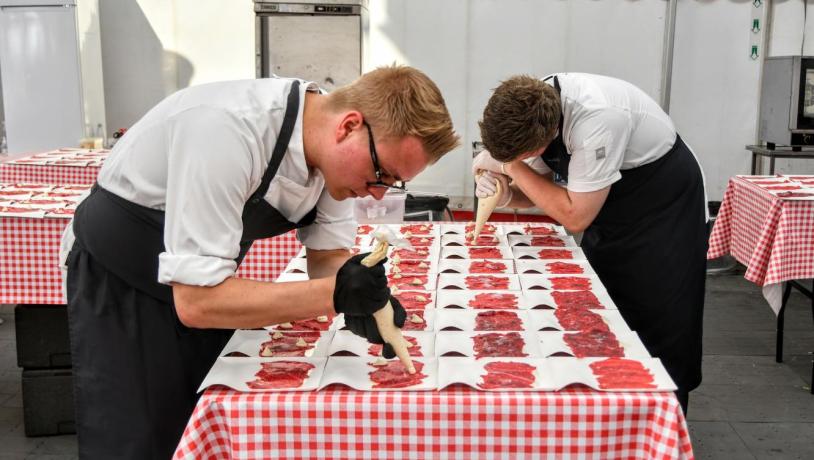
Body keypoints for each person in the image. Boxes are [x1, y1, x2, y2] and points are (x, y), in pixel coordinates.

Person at [62, 65, 459, 458]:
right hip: (122, 276)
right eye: (381, 175)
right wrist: (336, 295)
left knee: (197, 419)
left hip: (205, 280)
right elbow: (198, 302)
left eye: (392, 184)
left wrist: (368, 300)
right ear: (349, 126)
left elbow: (327, 259)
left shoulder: (331, 157)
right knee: (142, 438)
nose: (376, 195)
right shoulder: (227, 131)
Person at [473, 73, 707, 413]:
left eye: (523, 155)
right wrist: (506, 192)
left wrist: (511, 167)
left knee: (660, 316)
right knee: (603, 309)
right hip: (611, 204)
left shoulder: (598, 119)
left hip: (661, 206)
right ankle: (605, 413)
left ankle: (664, 422)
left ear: (540, 143)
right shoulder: (531, 104)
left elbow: (574, 216)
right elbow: (546, 189)